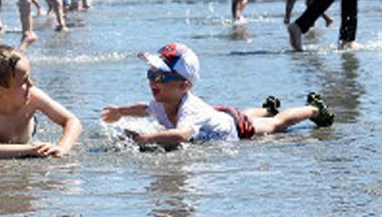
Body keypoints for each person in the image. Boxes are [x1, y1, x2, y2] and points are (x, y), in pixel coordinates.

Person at [101, 42, 334, 150]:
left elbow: (182, 134)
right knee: (244, 114)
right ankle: (267, 107)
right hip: (218, 115)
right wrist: (120, 111)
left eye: (161, 77)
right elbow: (144, 109)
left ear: (184, 86)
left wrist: (143, 139)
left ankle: (313, 109)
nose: (153, 80)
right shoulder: (165, 99)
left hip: (235, 129)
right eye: (151, 73)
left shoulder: (188, 111)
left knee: (276, 124)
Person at [0, 42, 82, 159]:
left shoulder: (33, 96)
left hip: (28, 127)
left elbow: (72, 121)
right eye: (24, 81)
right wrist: (31, 149)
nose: (32, 84)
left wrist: (62, 147)